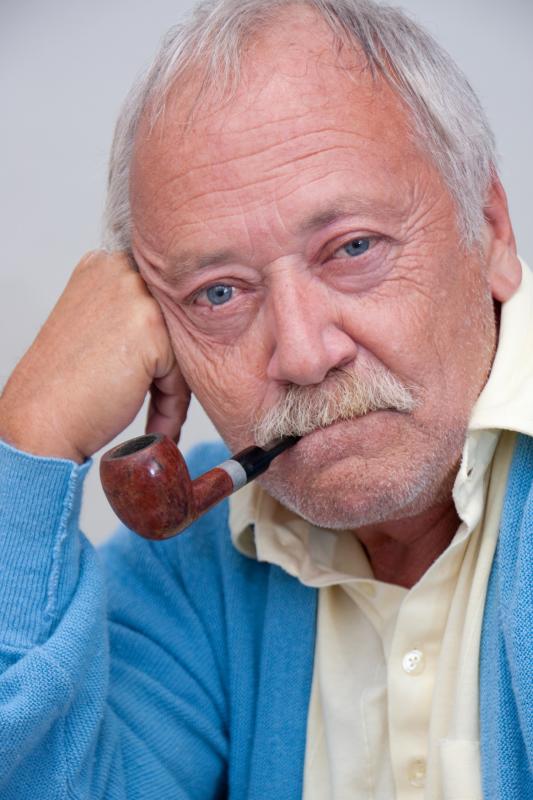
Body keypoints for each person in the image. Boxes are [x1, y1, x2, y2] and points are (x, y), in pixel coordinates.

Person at [0, 0, 530, 797]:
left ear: (489, 231)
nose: (304, 355)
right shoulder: (193, 565)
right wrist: (30, 439)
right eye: (219, 294)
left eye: (352, 248)